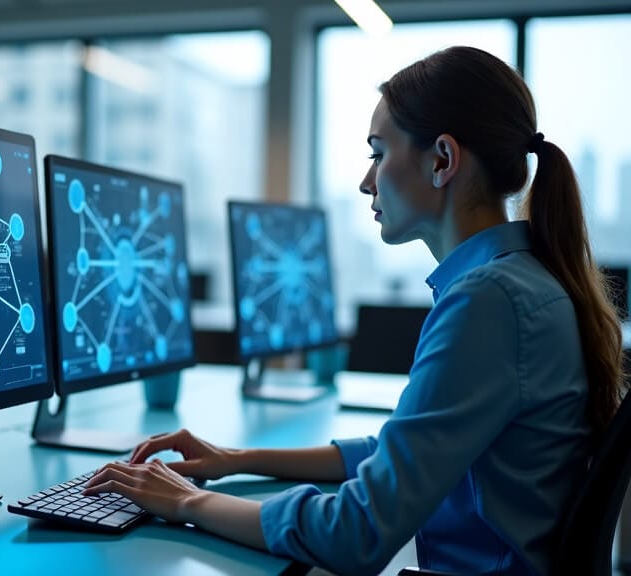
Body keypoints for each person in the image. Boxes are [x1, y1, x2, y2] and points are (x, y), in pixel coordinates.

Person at [83, 46, 626, 575]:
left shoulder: (489, 302)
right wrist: (237, 458)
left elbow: (356, 534)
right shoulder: (524, 280)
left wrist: (185, 503)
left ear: (443, 159)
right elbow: (403, 450)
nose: (367, 180)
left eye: (378, 153)